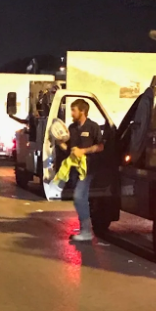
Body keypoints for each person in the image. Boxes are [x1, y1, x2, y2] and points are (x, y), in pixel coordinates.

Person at [59, 98, 103, 242]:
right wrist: (60, 144)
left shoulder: (93, 127)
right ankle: (85, 228)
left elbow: (101, 146)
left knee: (79, 197)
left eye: (74, 110)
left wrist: (84, 151)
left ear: (82, 111)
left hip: (88, 169)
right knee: (81, 198)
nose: (71, 113)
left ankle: (86, 231)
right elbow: (70, 150)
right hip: (74, 169)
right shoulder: (72, 128)